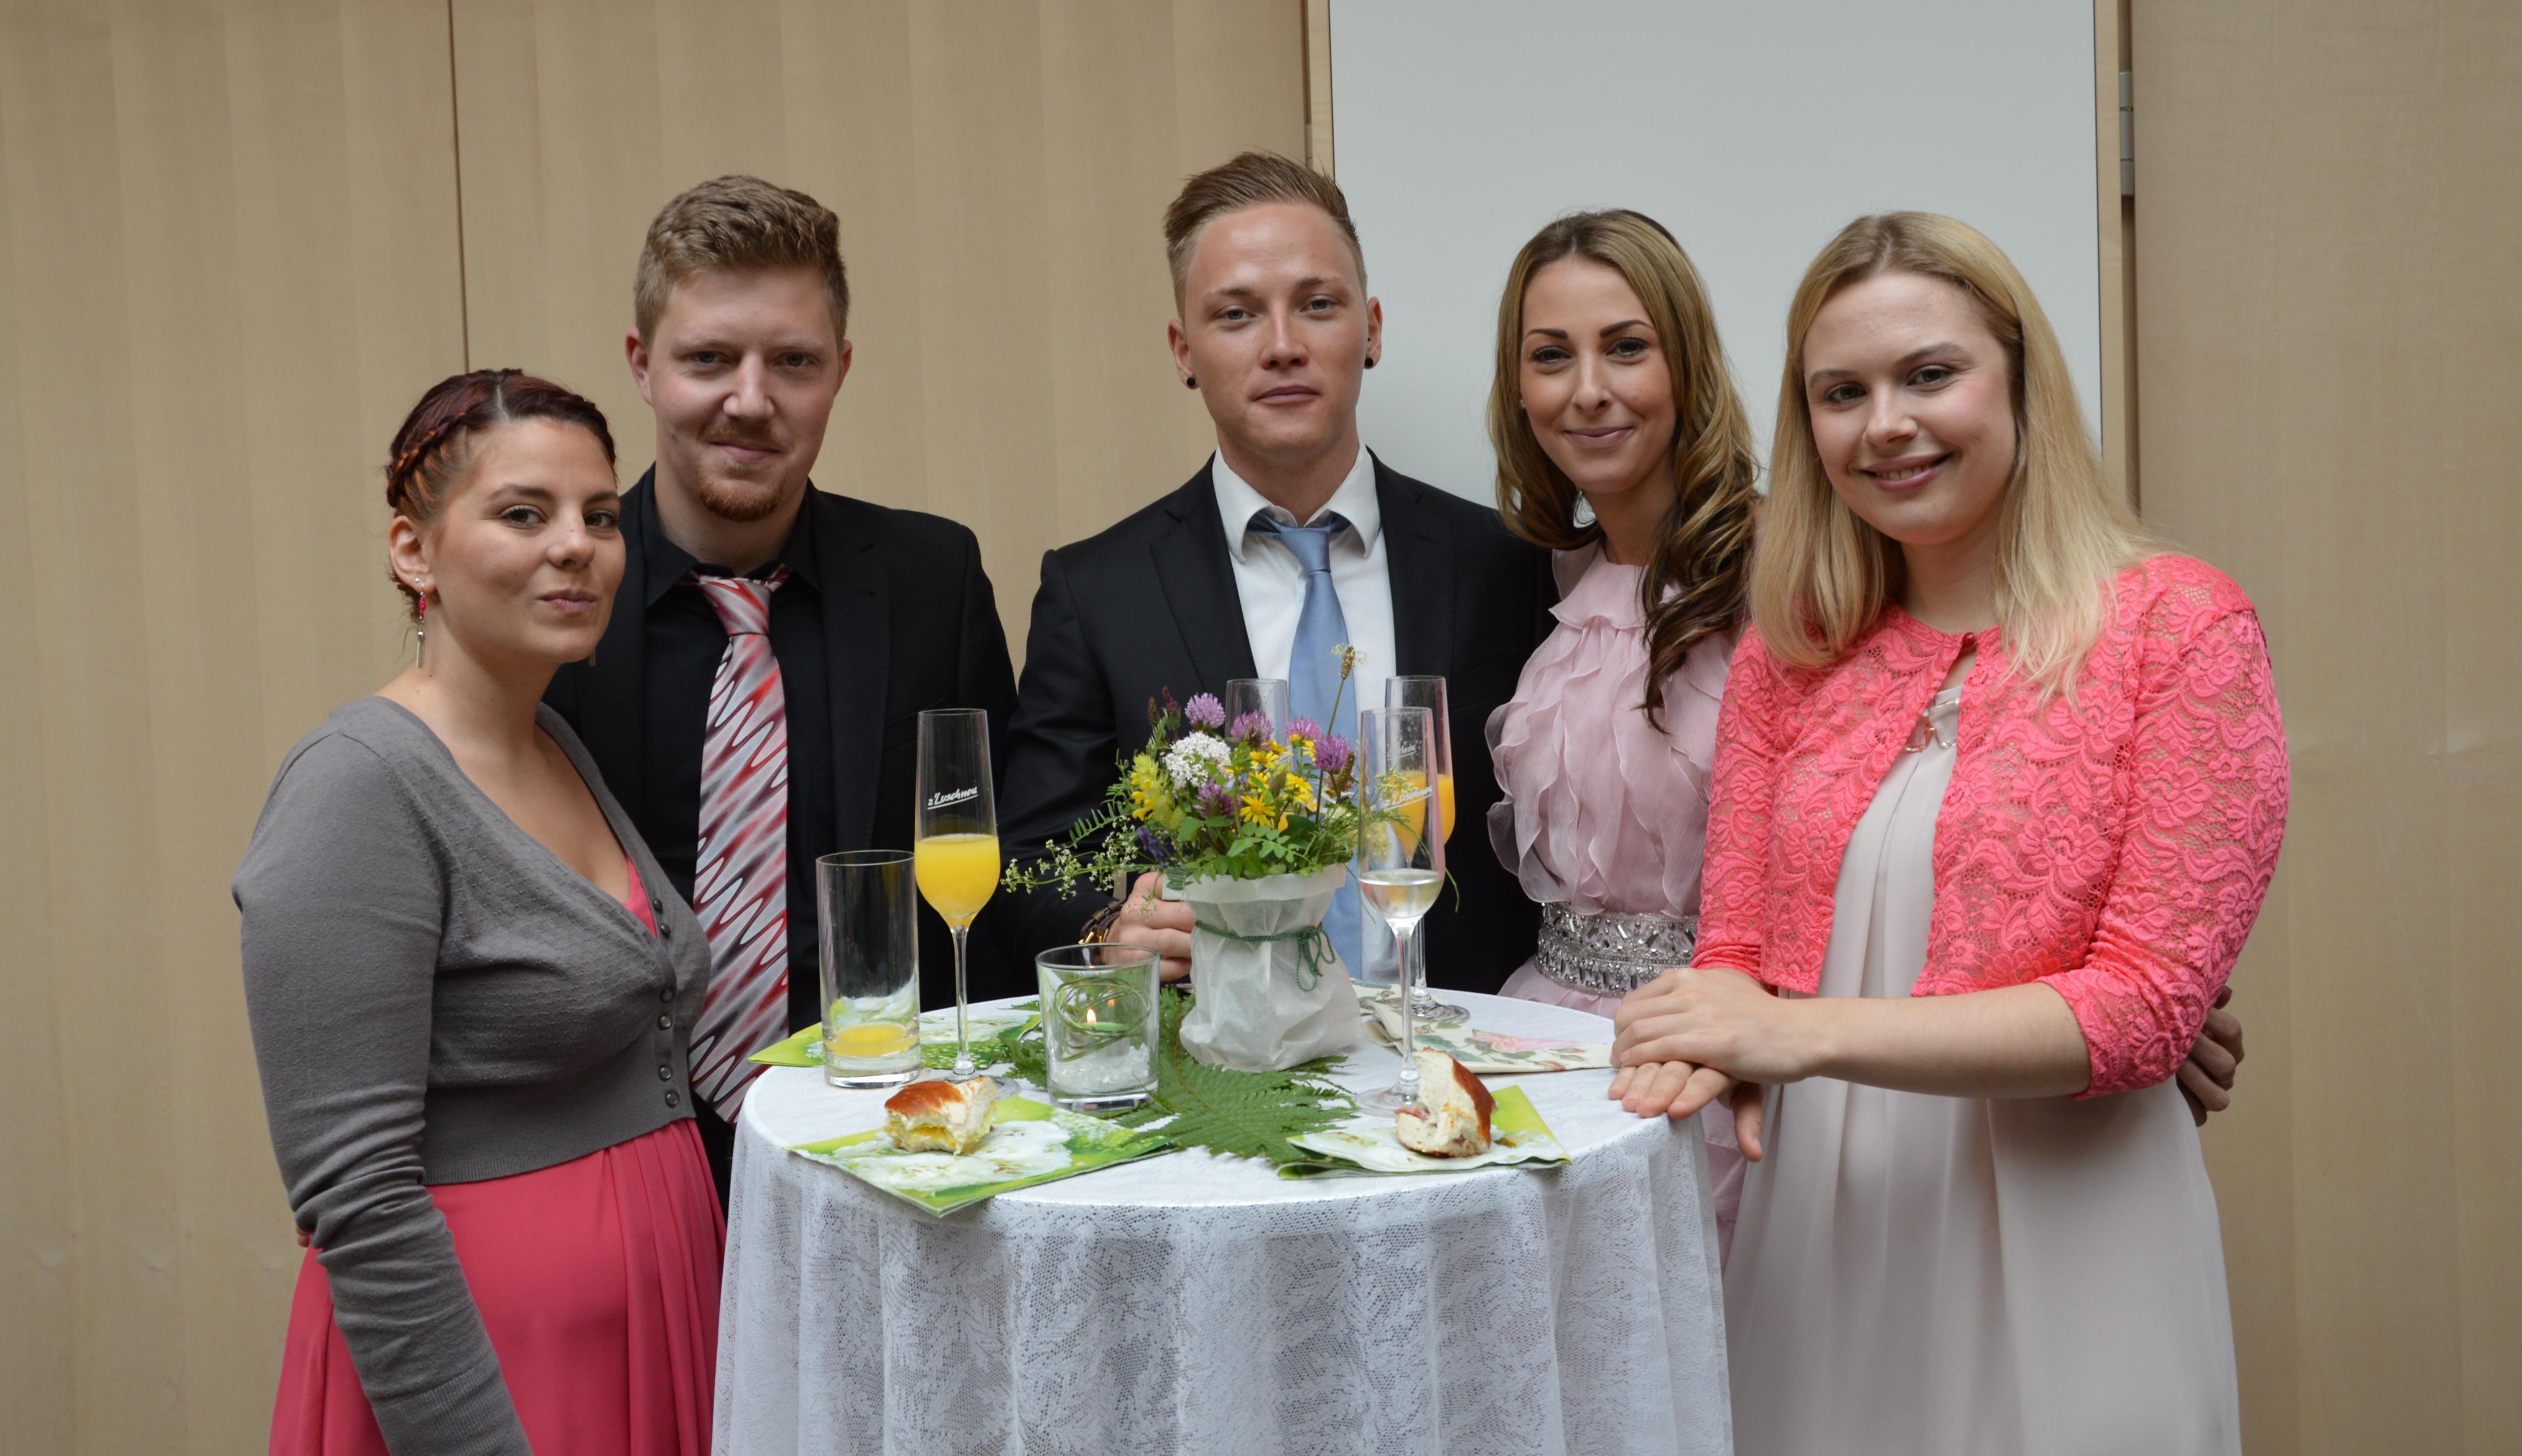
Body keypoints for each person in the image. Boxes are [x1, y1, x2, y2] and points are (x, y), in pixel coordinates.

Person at [1611, 213, 2288, 1454]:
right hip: (1823, 1231)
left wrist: (1787, 1033)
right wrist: (1703, 1048)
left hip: (2071, 1232)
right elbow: (1736, 958)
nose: (1885, 424)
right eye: (1841, 393)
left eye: (1929, 374)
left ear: (2020, 380)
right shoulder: (1789, 656)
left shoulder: (2179, 631)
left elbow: (2144, 1010)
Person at [238, 371, 720, 1456]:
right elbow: (356, 1192)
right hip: (488, 1372)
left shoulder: (553, 743)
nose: (577, 546)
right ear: (414, 553)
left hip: (651, 1322)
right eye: (524, 514)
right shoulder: (356, 785)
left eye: (602, 517)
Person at [542, 175, 1019, 1194]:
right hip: (615, 1153)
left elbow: (997, 880)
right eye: (708, 359)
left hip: (882, 1153)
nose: (750, 401)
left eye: (792, 362)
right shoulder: (560, 602)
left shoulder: (933, 582)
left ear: (840, 369)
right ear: (642, 365)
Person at [992, 150, 1555, 992]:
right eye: (1237, 315)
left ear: (1371, 329)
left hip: (1468, 1049)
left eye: (1317, 305)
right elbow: (1031, 864)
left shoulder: (1506, 561)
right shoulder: (1097, 593)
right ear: (1184, 350)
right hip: (1213, 1059)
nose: (1284, 346)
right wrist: (1109, 931)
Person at [1479, 210, 1761, 1249]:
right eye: (1552, 356)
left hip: (1723, 1064)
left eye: (1627, 348)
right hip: (1549, 1051)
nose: (1588, 390)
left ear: (1686, 362)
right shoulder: (1550, 580)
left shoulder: (1789, 572)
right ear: (1519, 389)